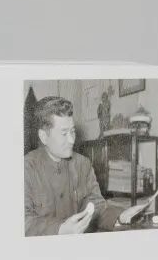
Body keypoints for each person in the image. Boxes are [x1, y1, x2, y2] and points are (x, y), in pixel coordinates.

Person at [24, 96, 147, 236]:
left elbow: (97, 207)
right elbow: (23, 221)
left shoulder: (83, 164)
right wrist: (60, 229)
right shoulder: (26, 168)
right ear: (43, 136)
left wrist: (120, 216)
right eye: (64, 133)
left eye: (72, 131)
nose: (71, 140)